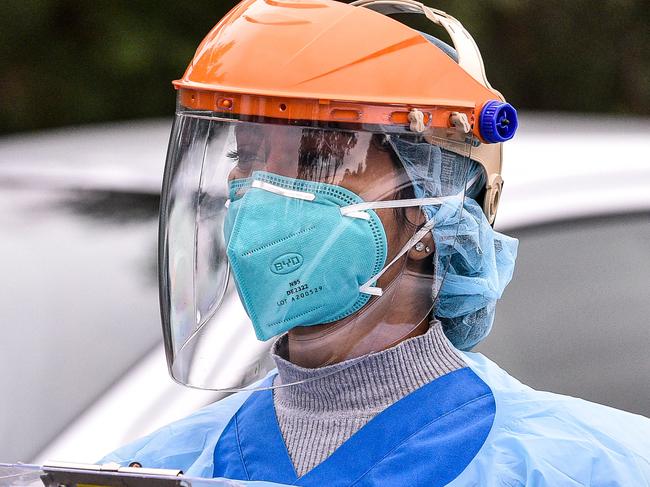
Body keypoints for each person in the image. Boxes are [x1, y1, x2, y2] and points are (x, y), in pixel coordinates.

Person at [102, 0, 650, 485]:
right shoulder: (154, 470)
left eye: (316, 158)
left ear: (430, 212)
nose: (262, 192)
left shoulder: (591, 468)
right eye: (245, 156)